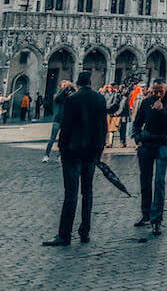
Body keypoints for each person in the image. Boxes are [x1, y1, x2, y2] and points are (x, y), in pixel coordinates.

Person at [42, 71, 107, 247]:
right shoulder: (100, 99)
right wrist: (98, 153)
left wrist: (62, 149)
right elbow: (103, 128)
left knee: (71, 194)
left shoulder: (73, 100)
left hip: (73, 152)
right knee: (88, 193)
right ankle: (85, 232)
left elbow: (67, 128)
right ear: (91, 83)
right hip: (91, 153)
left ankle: (65, 235)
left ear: (78, 83)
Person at [132, 78, 167, 236]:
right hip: (146, 144)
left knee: (159, 180)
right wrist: (138, 138)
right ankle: (145, 214)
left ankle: (156, 219)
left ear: (165, 89)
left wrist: (162, 111)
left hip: (163, 144)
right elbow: (137, 122)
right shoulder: (146, 102)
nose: (158, 93)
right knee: (145, 180)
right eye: (155, 90)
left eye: (160, 90)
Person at [43, 81, 75, 163]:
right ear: (61, 87)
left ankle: (59, 155)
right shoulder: (57, 95)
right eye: (64, 86)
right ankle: (46, 155)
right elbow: (57, 98)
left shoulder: (69, 96)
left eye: (66, 86)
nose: (65, 87)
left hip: (65, 120)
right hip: (57, 119)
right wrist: (64, 90)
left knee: (63, 139)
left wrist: (71, 89)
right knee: (52, 138)